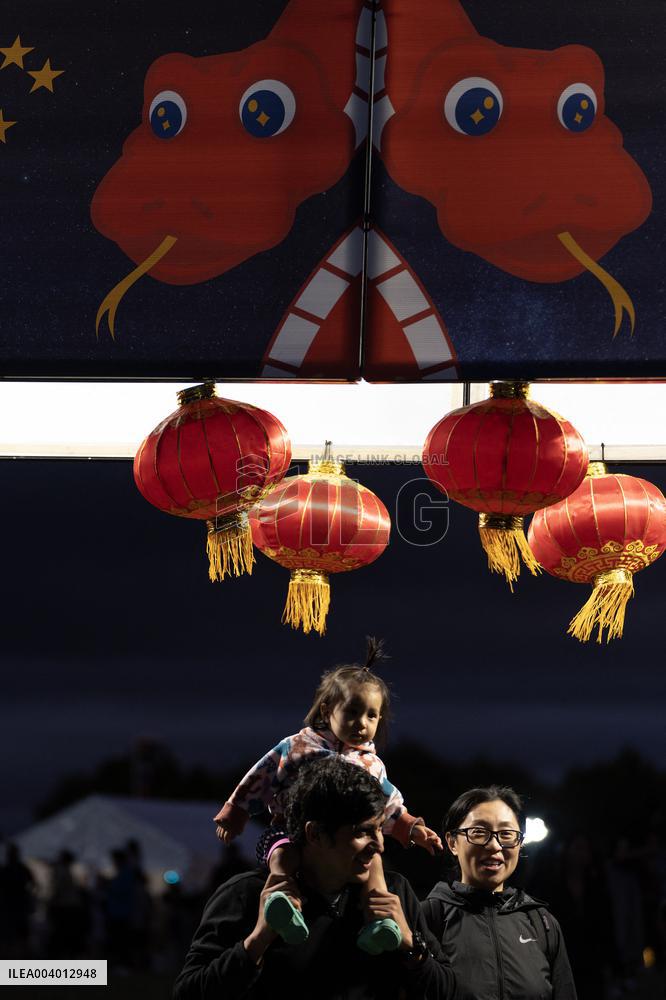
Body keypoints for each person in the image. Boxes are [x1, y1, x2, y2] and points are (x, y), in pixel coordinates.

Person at [214, 638, 441, 953]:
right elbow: (261, 775)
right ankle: (283, 902)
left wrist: (410, 827)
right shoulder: (298, 746)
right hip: (288, 829)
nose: (361, 723)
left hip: (349, 844)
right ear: (326, 709)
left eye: (371, 716)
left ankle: (379, 923)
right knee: (283, 856)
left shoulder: (371, 765)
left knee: (375, 861)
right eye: (352, 711)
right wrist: (235, 812)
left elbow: (389, 805)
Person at [174, 756, 456, 1000]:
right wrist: (257, 941)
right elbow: (188, 993)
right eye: (362, 832)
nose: (379, 844)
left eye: (380, 829)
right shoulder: (247, 894)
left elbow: (447, 991)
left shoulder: (394, 892)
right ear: (315, 834)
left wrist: (410, 944)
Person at [422, 785, 578, 999]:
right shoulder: (428, 918)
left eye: (506, 834)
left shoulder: (542, 923)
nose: (495, 845)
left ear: (520, 843)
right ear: (452, 843)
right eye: (479, 832)